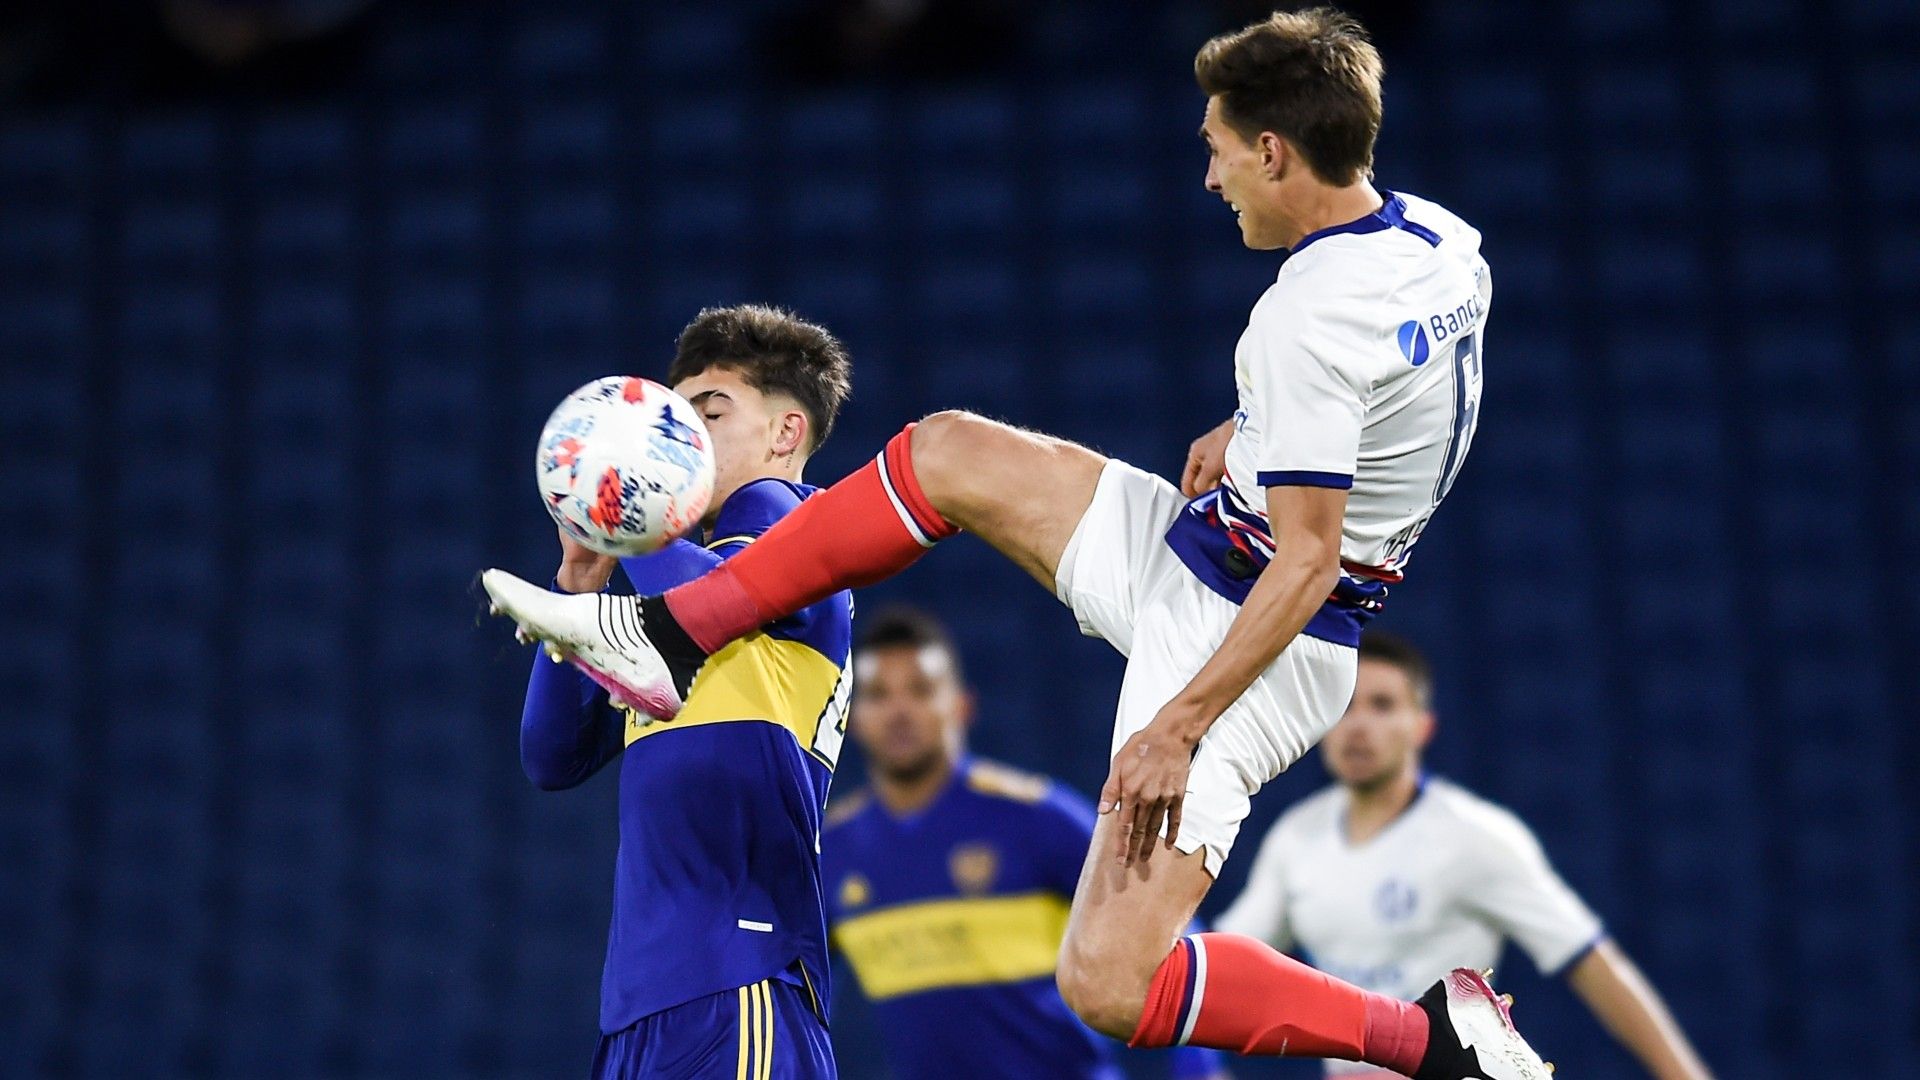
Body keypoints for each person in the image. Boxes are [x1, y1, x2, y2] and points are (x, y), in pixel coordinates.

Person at [486, 10, 1544, 1078]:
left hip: (1257, 632)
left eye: (1219, 149)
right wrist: (1263, 433)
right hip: (1201, 548)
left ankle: (1432, 1039)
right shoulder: (1441, 242)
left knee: (1107, 984)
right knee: (948, 451)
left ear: (1273, 151)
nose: (1212, 177)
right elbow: (1416, 399)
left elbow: (1310, 558)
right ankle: (667, 636)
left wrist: (1178, 725)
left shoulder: (1305, 321)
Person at [507, 305, 854, 1079]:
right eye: (672, 418)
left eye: (708, 413)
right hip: (643, 998)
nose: (683, 437)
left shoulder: (801, 529)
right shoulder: (672, 600)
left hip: (742, 978)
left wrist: (635, 517)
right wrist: (581, 581)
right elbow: (552, 755)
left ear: (785, 433)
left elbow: (731, 591)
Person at [1217, 634, 1714, 1079]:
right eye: (1344, 707)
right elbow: (1225, 964)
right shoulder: (1296, 837)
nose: (1358, 726)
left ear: (1422, 727)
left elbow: (1591, 961)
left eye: (1383, 705)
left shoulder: (1476, 838)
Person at [823, 608, 1231, 1080]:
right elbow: (802, 992)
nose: (899, 711)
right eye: (877, 695)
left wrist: (1199, 1065)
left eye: (920, 690)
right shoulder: (835, 851)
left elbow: (1166, 916)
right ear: (850, 718)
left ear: (961, 705)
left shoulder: (1035, 819)